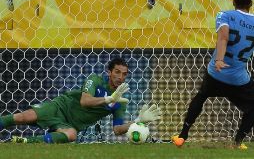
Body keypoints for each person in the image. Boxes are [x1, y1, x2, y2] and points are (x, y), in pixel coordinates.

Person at [0, 57, 161, 143]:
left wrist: (138, 121)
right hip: (60, 107)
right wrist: (107, 99)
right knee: (24, 117)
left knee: (71, 135)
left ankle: (25, 141)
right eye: (117, 72)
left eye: (124, 74)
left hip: (70, 124)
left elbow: (117, 130)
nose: (120, 77)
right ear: (109, 72)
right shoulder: (95, 80)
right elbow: (85, 101)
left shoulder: (120, 100)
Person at [172, 0, 254, 150]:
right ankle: (237, 142)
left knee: (201, 96)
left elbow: (223, 36)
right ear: (251, 4)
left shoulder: (224, 15)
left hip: (216, 74)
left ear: (233, 1)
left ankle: (182, 136)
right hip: (238, 80)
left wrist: (219, 60)